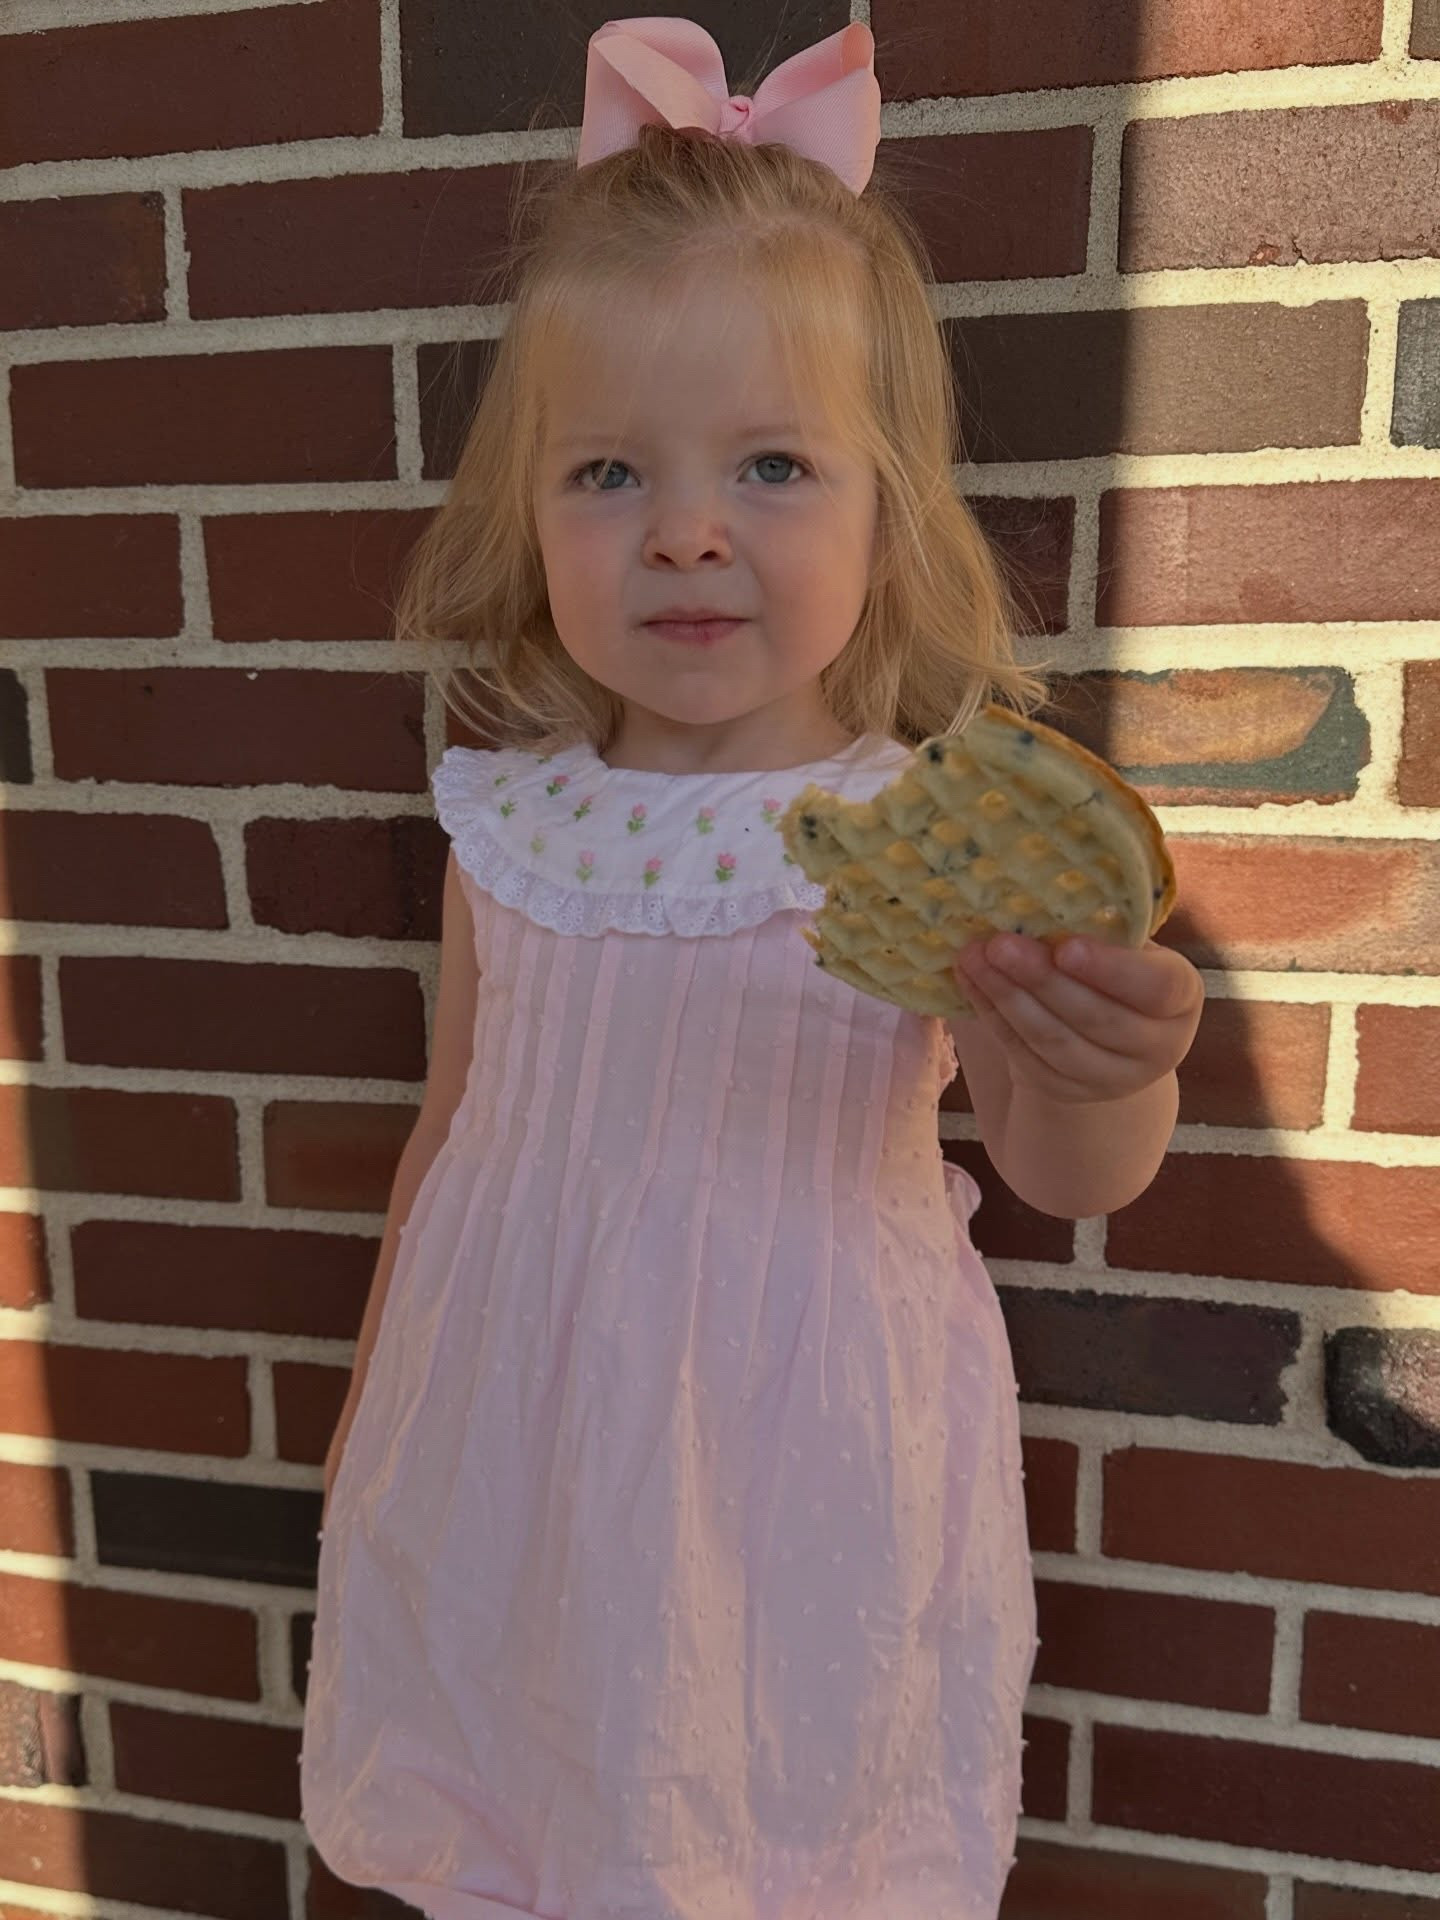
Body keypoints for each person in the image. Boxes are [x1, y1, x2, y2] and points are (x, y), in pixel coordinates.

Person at [298, 17, 1206, 1919]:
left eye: (775, 464)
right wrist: (379, 1432)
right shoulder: (511, 820)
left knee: (765, 1820)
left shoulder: (920, 829)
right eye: (609, 473)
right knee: (526, 1812)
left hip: (797, 1453)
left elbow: (1058, 1161)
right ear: (527, 515)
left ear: (887, 516)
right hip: (519, 1427)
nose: (688, 529)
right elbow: (451, 1131)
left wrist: (1106, 1066)